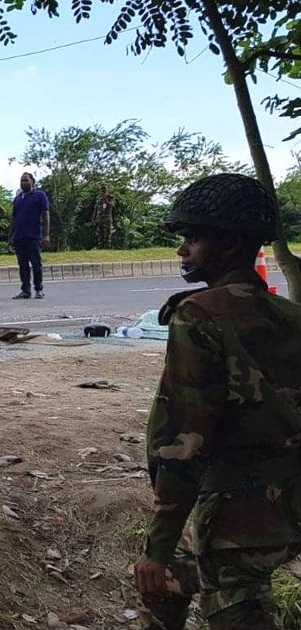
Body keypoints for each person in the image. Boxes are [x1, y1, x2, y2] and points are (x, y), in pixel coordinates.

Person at [134, 173, 301, 629]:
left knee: (219, 603)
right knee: (168, 584)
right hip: (287, 502)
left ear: (228, 245)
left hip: (232, 517)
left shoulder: (199, 316)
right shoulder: (290, 317)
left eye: (193, 238)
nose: (182, 249)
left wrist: (157, 546)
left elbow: (185, 441)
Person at [9, 172, 51, 299]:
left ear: (32, 182)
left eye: (26, 180)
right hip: (19, 237)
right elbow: (14, 219)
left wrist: (46, 234)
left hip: (33, 236)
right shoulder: (17, 199)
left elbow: (45, 215)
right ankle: (25, 290)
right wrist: (10, 237)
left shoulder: (39, 195)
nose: (23, 183)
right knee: (23, 265)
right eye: (21, 180)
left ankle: (38, 289)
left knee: (36, 264)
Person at [94, 184, 116, 249]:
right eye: (101, 191)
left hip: (107, 219)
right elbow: (95, 209)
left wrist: (106, 200)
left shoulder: (111, 198)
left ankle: (107, 247)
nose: (102, 192)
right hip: (99, 219)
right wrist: (94, 218)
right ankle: (100, 247)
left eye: (104, 191)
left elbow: (112, 206)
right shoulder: (98, 198)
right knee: (99, 233)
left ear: (106, 191)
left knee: (107, 234)